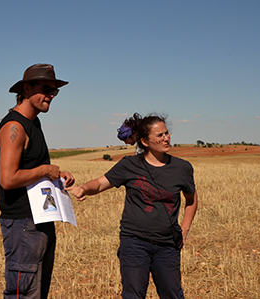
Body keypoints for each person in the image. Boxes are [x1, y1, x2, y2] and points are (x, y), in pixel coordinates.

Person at [68, 114, 198, 299]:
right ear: (144, 141)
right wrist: (83, 188)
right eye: (160, 135)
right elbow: (100, 183)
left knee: (173, 294)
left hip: (168, 244)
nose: (166, 138)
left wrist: (184, 229)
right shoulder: (129, 165)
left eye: (167, 133)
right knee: (133, 295)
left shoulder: (182, 168)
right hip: (135, 243)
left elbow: (191, 199)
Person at [0, 63, 75, 299]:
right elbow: (8, 179)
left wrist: (57, 175)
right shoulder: (15, 127)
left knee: (37, 293)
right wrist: (44, 170)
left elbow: (32, 169)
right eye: (46, 88)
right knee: (23, 293)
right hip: (22, 225)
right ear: (26, 88)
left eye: (55, 90)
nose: (51, 94)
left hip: (40, 220)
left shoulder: (34, 123)